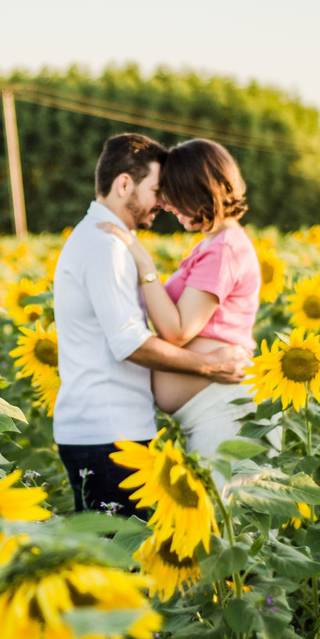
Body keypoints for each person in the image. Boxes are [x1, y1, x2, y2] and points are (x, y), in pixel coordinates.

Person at [53, 133, 250, 517]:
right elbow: (131, 343)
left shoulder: (112, 241)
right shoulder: (104, 246)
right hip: (107, 433)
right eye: (157, 190)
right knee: (120, 562)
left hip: (112, 430)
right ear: (124, 183)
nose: (164, 202)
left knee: (116, 559)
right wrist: (212, 366)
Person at [97, 138, 271, 464]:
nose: (166, 204)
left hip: (227, 414)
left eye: (173, 194)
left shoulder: (225, 249)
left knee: (226, 513)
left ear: (198, 190)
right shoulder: (212, 245)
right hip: (213, 414)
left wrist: (143, 263)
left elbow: (178, 330)